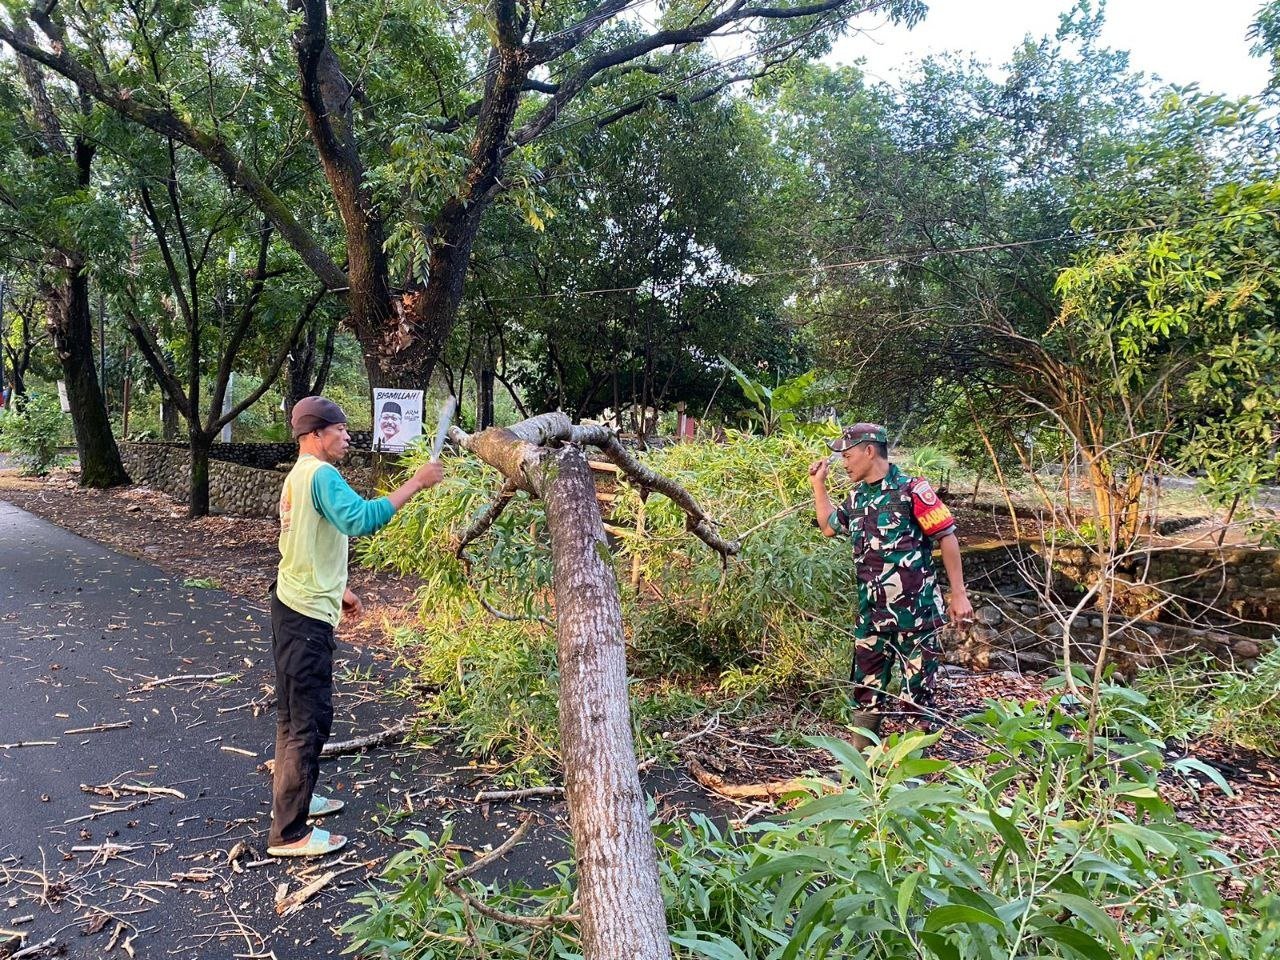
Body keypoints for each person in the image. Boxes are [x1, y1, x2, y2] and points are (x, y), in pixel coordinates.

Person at [267, 395, 443, 857]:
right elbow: (361, 519)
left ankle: (297, 798)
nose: (347, 436)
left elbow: (304, 540)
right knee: (309, 721)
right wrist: (417, 483)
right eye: (339, 429)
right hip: (305, 616)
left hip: (292, 601)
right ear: (315, 435)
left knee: (292, 716)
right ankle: (289, 834)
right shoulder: (321, 475)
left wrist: (338, 588)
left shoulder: (299, 475)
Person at [809, 423, 973, 747]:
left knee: (916, 698)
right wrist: (818, 485)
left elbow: (946, 536)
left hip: (917, 617)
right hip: (872, 617)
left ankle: (909, 768)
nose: (844, 463)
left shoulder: (912, 490)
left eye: (848, 455)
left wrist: (959, 594)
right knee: (865, 693)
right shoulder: (857, 497)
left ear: (869, 451)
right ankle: (862, 767)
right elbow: (828, 527)